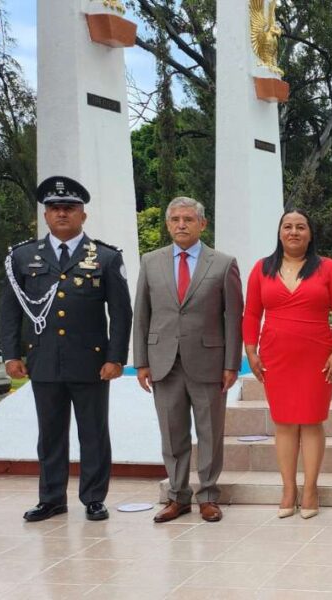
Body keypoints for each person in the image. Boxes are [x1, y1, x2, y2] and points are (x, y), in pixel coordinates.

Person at [0, 175, 133, 522]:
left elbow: (120, 312)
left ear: (83, 215)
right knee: (50, 435)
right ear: (45, 215)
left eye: (69, 208)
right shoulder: (23, 256)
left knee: (93, 434)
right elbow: (10, 309)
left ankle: (93, 498)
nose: (62, 214)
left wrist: (115, 357)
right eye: (55, 208)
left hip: (90, 363)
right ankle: (52, 498)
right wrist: (11, 354)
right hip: (43, 360)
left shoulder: (104, 257)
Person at [133, 197, 243, 523]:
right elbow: (142, 314)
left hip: (209, 362)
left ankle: (208, 495)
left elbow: (233, 318)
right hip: (163, 362)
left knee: (209, 432)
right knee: (172, 433)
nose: (182, 224)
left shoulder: (223, 263)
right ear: (168, 225)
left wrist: (231, 364)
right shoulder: (151, 262)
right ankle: (177, 497)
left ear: (202, 224)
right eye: (176, 219)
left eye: (188, 219)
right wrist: (141, 361)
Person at [242, 209, 332, 519]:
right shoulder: (262, 269)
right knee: (285, 422)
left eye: (301, 227)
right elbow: (251, 313)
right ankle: (288, 487)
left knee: (312, 420)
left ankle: (311, 488)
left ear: (310, 233)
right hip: (276, 355)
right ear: (279, 233)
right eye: (287, 226)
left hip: (317, 355)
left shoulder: (327, 268)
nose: (294, 232)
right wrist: (251, 350)